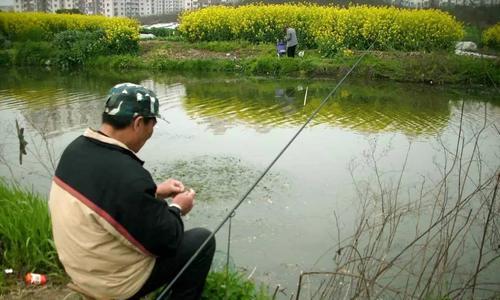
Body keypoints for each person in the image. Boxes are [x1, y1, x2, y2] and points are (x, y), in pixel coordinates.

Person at [49, 83, 215, 300]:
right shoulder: (128, 174)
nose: (151, 134)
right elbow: (166, 241)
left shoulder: (76, 149)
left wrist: (154, 191)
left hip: (78, 268)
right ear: (138, 123)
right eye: (152, 125)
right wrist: (177, 207)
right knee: (201, 241)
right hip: (111, 285)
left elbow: (109, 195)